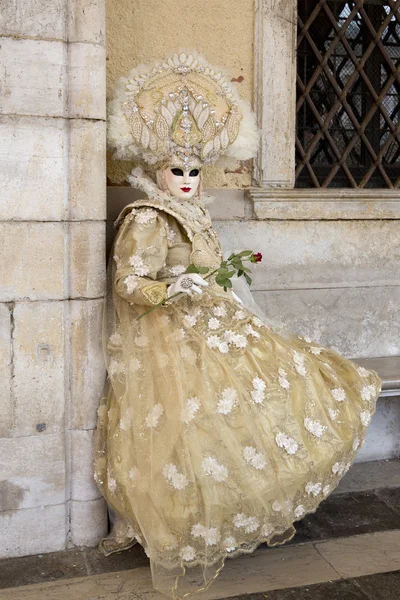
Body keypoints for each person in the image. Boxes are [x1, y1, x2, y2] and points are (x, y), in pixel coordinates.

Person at [94, 52, 382, 599]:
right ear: (155, 169)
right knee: (189, 432)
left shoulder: (196, 212)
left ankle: (222, 515)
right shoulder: (147, 217)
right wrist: (171, 288)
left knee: (285, 392)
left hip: (217, 326)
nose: (185, 179)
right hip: (174, 341)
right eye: (176, 170)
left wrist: (212, 282)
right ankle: (183, 525)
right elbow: (129, 283)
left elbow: (207, 268)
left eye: (194, 171)